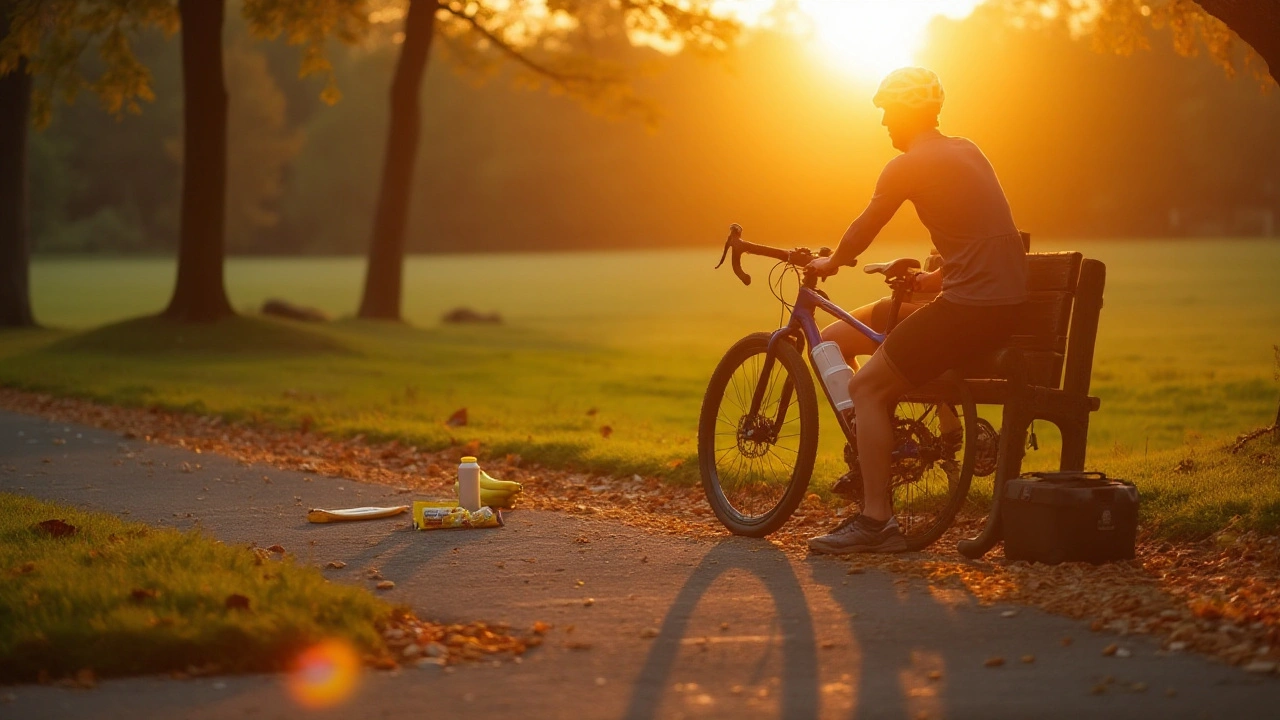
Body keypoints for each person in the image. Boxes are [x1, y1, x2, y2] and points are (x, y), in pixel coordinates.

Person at [805, 67, 1028, 554]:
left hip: (970, 310)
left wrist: (832, 261)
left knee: (867, 385)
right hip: (994, 304)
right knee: (843, 338)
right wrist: (933, 279)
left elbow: (864, 228)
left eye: (887, 111)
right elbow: (985, 237)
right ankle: (870, 450)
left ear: (907, 113)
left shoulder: (907, 165)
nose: (884, 122)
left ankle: (875, 521)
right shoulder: (967, 150)